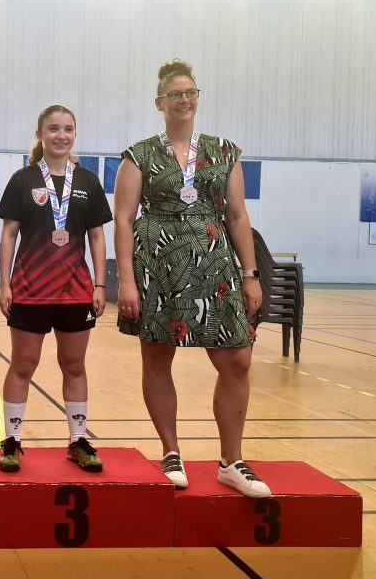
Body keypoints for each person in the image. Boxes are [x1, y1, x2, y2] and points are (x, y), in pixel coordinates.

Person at [114, 59, 270, 497]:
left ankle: (231, 461)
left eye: (190, 93)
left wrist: (251, 274)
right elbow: (123, 220)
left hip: (216, 265)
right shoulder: (139, 155)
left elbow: (237, 216)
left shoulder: (224, 151)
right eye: (175, 94)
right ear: (159, 103)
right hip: (158, 267)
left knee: (237, 360)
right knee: (157, 358)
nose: (184, 100)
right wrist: (126, 281)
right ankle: (171, 452)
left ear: (197, 98)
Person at [0, 105, 112, 473]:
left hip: (76, 292)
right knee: (23, 365)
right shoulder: (23, 179)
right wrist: (4, 284)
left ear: (74, 134)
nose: (61, 135)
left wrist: (100, 284)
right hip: (29, 290)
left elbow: (97, 236)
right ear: (40, 134)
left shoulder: (88, 181)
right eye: (53, 128)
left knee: (74, 366)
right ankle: (12, 440)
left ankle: (78, 441)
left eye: (68, 129)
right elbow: (9, 235)